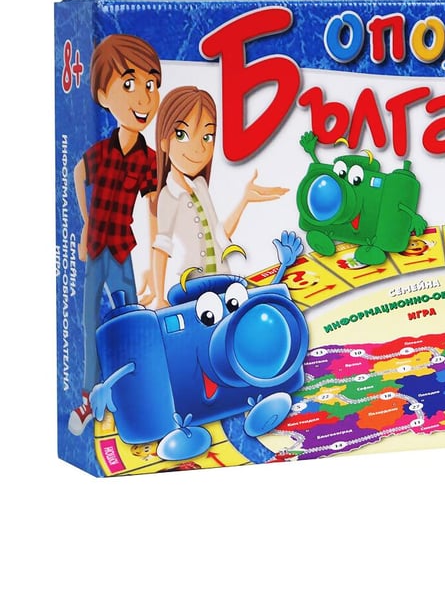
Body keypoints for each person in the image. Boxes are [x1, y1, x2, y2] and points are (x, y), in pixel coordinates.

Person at [69, 34, 161, 435]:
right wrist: (85, 222)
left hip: (123, 247)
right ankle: (89, 398)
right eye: (129, 84)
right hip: (96, 247)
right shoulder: (101, 151)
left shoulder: (148, 159)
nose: (143, 97)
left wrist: (156, 262)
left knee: (130, 322)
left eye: (151, 84)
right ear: (104, 96)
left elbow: (154, 207)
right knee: (90, 319)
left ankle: (132, 395)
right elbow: (77, 174)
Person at [152, 86, 288, 306]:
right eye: (183, 135)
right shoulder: (169, 196)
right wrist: (159, 298)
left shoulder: (200, 186)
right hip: (191, 287)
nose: (199, 148)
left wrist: (244, 200)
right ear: (164, 142)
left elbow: (219, 235)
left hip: (222, 280)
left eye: (207, 137)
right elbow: (161, 247)